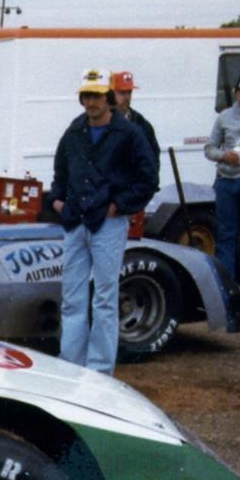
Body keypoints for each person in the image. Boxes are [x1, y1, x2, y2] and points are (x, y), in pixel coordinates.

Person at [49, 68, 159, 374]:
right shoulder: (74, 130)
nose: (92, 102)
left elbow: (148, 179)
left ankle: (99, 370)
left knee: (105, 300)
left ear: (108, 98)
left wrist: (119, 206)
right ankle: (70, 365)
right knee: (72, 298)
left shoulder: (129, 133)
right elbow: (60, 172)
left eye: (97, 96)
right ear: (82, 99)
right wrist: (58, 201)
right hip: (75, 223)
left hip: (108, 225)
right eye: (87, 96)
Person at [205, 70, 240, 300]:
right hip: (227, 181)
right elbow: (209, 147)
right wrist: (222, 155)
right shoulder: (225, 116)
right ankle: (227, 287)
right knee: (226, 234)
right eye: (239, 90)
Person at [110, 71, 160, 170]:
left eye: (129, 92)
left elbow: (153, 160)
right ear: (110, 94)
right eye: (122, 92)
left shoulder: (143, 125)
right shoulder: (99, 123)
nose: (127, 97)